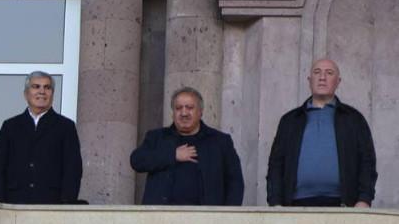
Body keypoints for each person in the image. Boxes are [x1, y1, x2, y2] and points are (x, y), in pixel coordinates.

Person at [267, 58, 377, 207]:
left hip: (344, 206)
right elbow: (276, 164)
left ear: (338, 81)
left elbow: (367, 162)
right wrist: (275, 202)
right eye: (317, 72)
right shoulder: (290, 121)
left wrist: (364, 200)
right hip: (295, 205)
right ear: (309, 80)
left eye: (329, 73)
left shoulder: (354, 119)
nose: (322, 77)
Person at [130, 87, 244, 206]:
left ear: (200, 112)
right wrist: (172, 155)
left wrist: (228, 215)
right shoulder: (157, 137)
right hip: (161, 215)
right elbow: (137, 160)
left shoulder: (220, 141)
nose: (184, 113)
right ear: (173, 113)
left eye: (189, 108)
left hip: (207, 216)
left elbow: (235, 182)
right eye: (178, 108)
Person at [0, 71, 82, 204]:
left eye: (47, 87)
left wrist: (66, 204)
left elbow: (73, 169)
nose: (42, 91)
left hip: (52, 205)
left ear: (52, 94)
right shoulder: (10, 126)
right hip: (14, 204)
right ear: (26, 93)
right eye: (36, 86)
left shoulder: (65, 127)